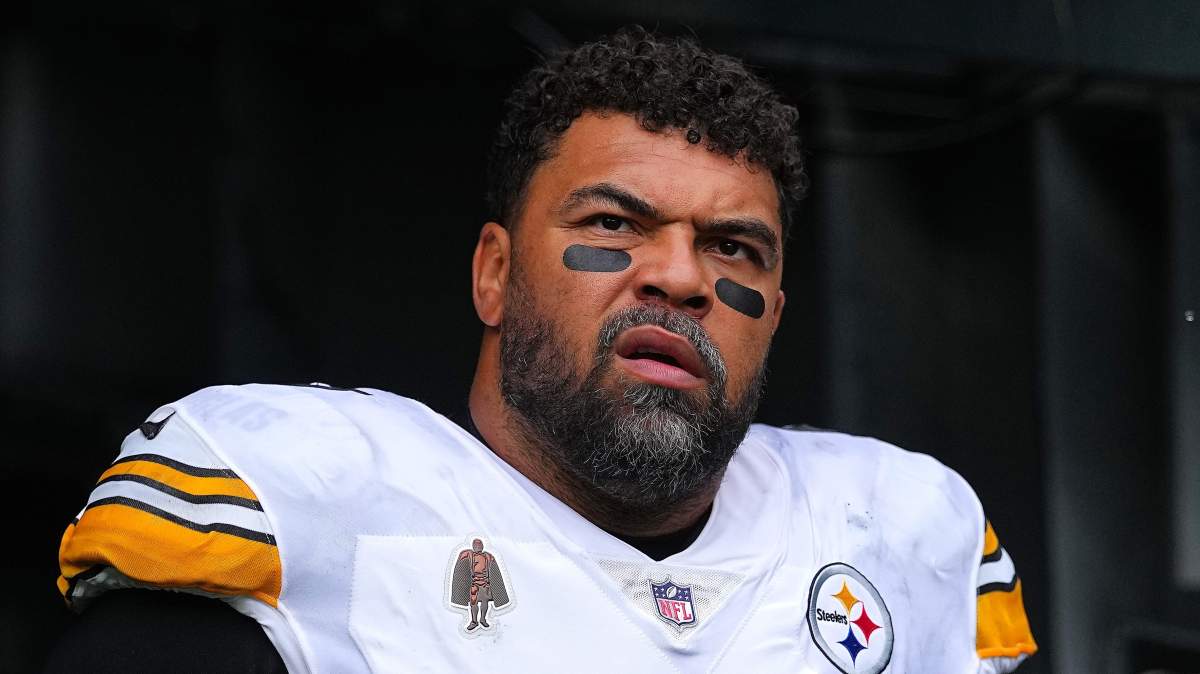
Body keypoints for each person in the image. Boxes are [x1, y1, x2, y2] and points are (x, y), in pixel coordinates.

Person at [46, 26, 1036, 673]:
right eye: (616, 223)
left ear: (773, 312)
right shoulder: (297, 493)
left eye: (733, 247)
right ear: (494, 273)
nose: (680, 277)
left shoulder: (899, 532)